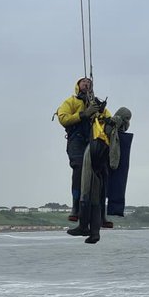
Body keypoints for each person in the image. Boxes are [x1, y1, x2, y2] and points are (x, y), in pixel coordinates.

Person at [67, 107, 132, 243]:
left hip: (93, 157)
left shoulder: (110, 123)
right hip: (104, 166)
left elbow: (99, 133)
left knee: (86, 194)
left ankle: (83, 227)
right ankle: (95, 234)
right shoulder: (120, 131)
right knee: (96, 199)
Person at [56, 78, 109, 223]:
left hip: (95, 139)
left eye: (89, 82)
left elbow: (108, 119)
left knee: (102, 172)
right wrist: (83, 114)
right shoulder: (71, 102)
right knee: (79, 168)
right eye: (83, 82)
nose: (87, 84)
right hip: (77, 140)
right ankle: (76, 208)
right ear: (78, 86)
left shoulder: (97, 104)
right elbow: (63, 118)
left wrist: (104, 116)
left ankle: (102, 213)